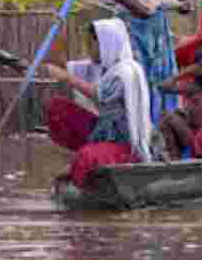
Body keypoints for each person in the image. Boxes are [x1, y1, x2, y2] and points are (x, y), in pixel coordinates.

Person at [41, 19, 153, 188]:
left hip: (127, 143)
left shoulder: (126, 71)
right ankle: (91, 156)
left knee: (85, 157)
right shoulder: (100, 66)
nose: (88, 48)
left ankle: (87, 171)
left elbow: (100, 95)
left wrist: (67, 78)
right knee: (58, 108)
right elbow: (61, 65)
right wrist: (58, 34)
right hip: (103, 132)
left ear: (106, 44)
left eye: (91, 44)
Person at [158, 46, 202, 160]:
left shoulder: (193, 87)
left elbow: (162, 87)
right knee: (178, 114)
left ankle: (174, 159)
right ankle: (176, 157)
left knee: (166, 118)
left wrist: (185, 72)